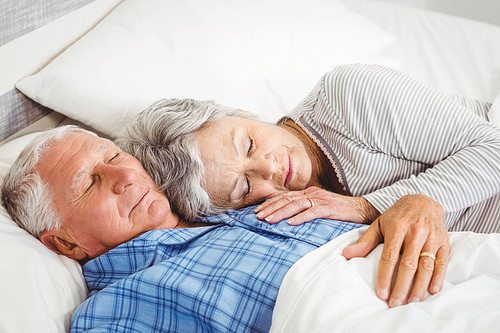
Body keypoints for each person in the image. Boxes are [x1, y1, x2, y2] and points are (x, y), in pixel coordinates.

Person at [118, 64, 500, 308]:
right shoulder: (279, 217)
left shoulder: (348, 95)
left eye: (248, 143)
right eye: (244, 186)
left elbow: (494, 149)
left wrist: (368, 206)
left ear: (244, 114)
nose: (268, 167)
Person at [0, 125, 387, 332]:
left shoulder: (233, 201)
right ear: (66, 244)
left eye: (116, 156)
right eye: (89, 183)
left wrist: (403, 206)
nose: (125, 176)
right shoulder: (115, 313)